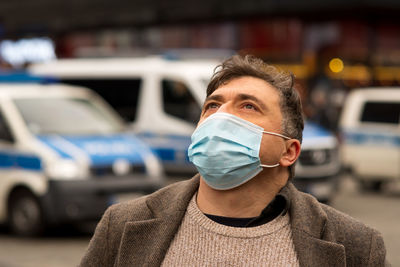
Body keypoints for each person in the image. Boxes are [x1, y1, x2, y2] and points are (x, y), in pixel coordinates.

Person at [79, 55, 387, 267]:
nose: (221, 116)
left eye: (248, 106)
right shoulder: (122, 225)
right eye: (212, 105)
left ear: (289, 152)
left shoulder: (354, 245)